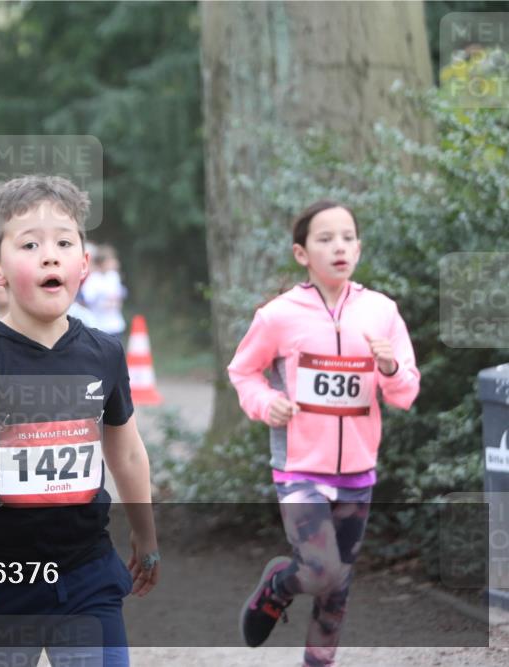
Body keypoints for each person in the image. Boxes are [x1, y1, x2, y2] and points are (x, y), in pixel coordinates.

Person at [0, 175, 159, 666]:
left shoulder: (103, 353)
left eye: (64, 242)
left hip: (87, 574)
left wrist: (146, 533)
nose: (50, 255)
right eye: (30, 244)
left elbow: (125, 451)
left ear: (83, 263)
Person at [228, 201, 420, 667]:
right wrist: (264, 402)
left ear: (358, 247)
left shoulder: (381, 312)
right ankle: (278, 584)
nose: (339, 247)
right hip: (298, 468)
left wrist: (390, 366)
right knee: (321, 569)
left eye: (348, 237)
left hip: (358, 470)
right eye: (325, 238)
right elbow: (243, 372)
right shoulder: (278, 316)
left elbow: (405, 392)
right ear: (301, 253)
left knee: (339, 583)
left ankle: (318, 662)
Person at [80, 244, 127, 336]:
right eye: (111, 260)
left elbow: (120, 294)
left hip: (116, 325)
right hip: (100, 326)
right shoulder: (93, 279)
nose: (115, 263)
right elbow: (85, 300)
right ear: (102, 263)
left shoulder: (114, 276)